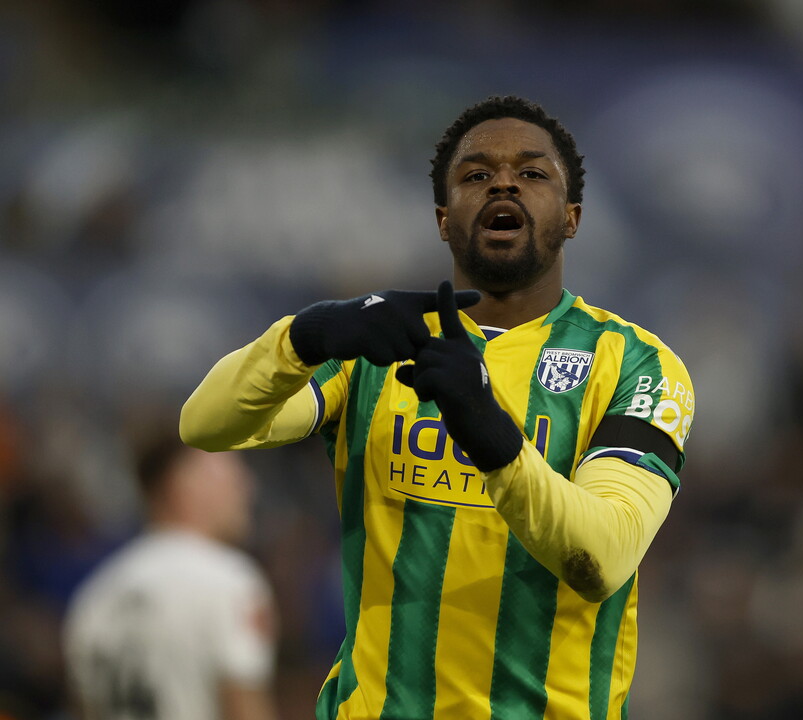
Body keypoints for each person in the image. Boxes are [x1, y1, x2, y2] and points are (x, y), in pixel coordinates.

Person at [179, 95, 695, 720]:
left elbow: (603, 558)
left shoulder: (636, 364)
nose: (503, 181)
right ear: (445, 219)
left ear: (572, 218)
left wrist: (487, 430)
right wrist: (305, 335)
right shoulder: (381, 342)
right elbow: (206, 425)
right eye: (476, 174)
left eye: (532, 173)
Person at [63, 432, 278, 720]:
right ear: (185, 484)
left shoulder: (94, 598)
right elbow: (246, 710)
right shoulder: (230, 581)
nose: (248, 486)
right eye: (232, 472)